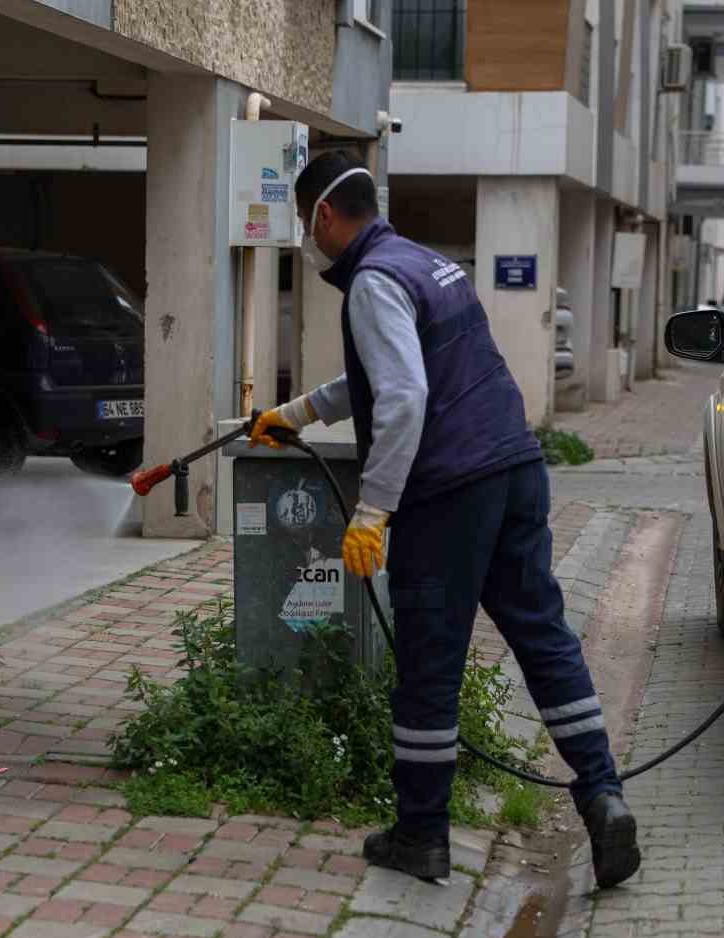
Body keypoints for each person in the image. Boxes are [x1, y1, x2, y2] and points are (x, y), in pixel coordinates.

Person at [249, 150, 640, 889]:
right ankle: (602, 794)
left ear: (324, 215)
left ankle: (422, 837)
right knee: (543, 638)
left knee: (430, 664)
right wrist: (299, 411)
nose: (309, 236)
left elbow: (402, 399)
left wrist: (372, 510)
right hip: (515, 469)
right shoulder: (425, 263)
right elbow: (388, 372)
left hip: (449, 491)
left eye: (306, 223)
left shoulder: (371, 281)